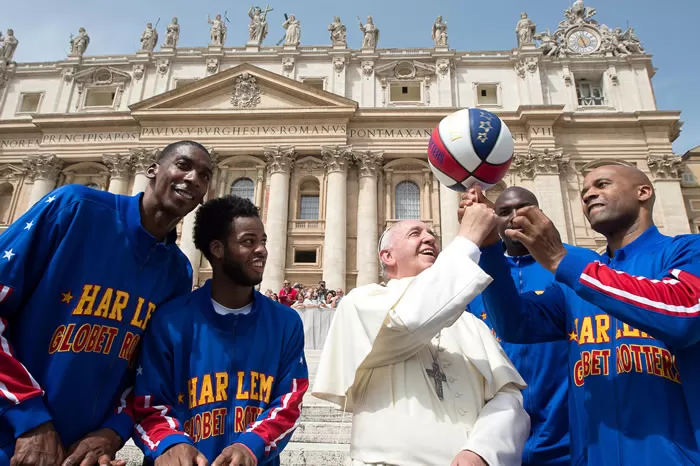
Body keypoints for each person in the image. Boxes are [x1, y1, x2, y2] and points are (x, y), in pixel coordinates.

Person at [465, 165, 700, 464]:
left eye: (602, 184)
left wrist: (562, 260)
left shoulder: (688, 250)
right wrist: (489, 249)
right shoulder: (579, 280)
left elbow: (685, 315)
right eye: (584, 190)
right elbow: (516, 324)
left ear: (643, 192)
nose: (589, 194)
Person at [0, 140, 213, 465]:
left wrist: (112, 433)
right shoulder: (75, 207)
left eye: (205, 176)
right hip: (12, 436)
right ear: (152, 169)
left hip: (80, 455)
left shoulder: (178, 272)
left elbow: (151, 369)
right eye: (183, 165)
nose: (194, 178)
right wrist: (28, 418)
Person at [312, 203, 530, 466]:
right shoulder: (361, 301)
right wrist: (469, 236)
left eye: (432, 235)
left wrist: (482, 450)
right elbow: (411, 320)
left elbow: (508, 396)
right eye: (415, 234)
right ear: (387, 256)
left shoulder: (471, 324)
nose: (429, 238)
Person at [132, 196, 308, 466]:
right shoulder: (169, 320)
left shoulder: (286, 323)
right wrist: (170, 442)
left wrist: (251, 446)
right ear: (218, 249)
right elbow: (148, 402)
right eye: (249, 242)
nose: (262, 250)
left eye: (263, 241)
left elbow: (289, 402)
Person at [466, 187, 570, 466]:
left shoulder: (573, 267)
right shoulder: (473, 274)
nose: (514, 218)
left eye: (523, 209)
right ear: (493, 220)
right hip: (492, 439)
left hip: (567, 434)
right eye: (503, 212)